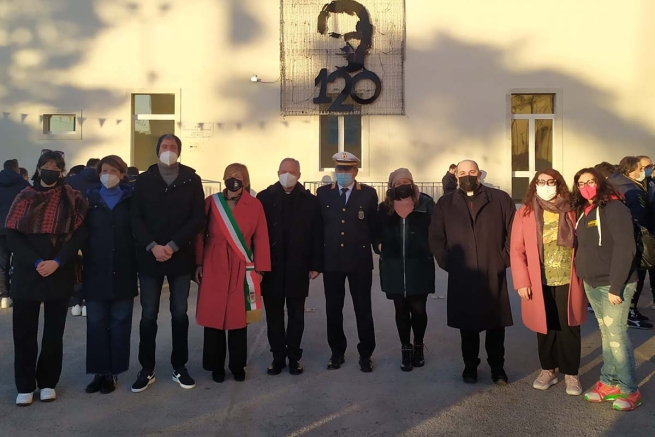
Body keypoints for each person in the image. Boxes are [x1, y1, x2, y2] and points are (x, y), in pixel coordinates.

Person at [5, 151, 87, 406]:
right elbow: (12, 236)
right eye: (46, 166)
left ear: (61, 172)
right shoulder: (24, 197)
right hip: (29, 271)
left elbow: (79, 235)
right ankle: (25, 385)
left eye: (56, 167)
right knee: (24, 332)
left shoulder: (72, 198)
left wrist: (58, 261)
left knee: (54, 332)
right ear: (38, 169)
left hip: (59, 270)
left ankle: (48, 382)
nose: (51, 171)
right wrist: (37, 261)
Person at [429, 160, 515, 385]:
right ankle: (470, 366)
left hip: (491, 269)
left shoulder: (500, 199)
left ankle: (498, 368)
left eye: (472, 172)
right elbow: (437, 237)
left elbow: (512, 234)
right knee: (467, 326)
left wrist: (502, 259)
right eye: (462, 173)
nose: (467, 176)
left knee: (495, 325)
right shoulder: (445, 203)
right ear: (456, 176)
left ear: (479, 175)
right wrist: (450, 263)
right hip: (462, 272)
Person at [130, 134, 205, 392]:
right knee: (148, 314)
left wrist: (173, 246)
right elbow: (135, 218)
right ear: (157, 150)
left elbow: (197, 219)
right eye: (165, 146)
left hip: (180, 257)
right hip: (150, 258)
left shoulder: (192, 180)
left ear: (180, 151)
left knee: (179, 313)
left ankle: (179, 367)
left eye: (173, 147)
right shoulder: (144, 179)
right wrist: (153, 246)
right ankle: (146, 369)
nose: (169, 150)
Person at [510, 169, 587, 396]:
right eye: (540, 182)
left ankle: (571, 374)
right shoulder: (524, 213)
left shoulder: (573, 209)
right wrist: (522, 281)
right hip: (538, 279)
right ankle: (548, 370)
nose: (545, 186)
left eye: (550, 182)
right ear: (534, 185)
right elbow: (516, 250)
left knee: (570, 326)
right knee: (544, 327)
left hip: (569, 277)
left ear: (559, 184)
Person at [573, 167, 642, 411]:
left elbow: (626, 248)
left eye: (590, 181)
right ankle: (609, 383)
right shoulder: (585, 210)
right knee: (607, 334)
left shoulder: (615, 208)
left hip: (614, 284)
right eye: (581, 184)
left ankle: (629, 389)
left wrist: (616, 286)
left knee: (617, 336)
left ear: (601, 182)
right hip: (593, 283)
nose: (586, 187)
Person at [195, 163, 271, 382]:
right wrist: (198, 263)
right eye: (229, 175)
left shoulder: (255, 205)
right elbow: (199, 235)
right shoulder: (211, 203)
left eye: (238, 176)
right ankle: (215, 366)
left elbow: (261, 238)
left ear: (246, 181)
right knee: (214, 317)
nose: (233, 179)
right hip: (213, 263)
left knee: (238, 319)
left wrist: (260, 270)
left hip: (241, 264)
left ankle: (238, 365)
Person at [256, 159, 323, 376]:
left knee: (296, 315)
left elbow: (316, 235)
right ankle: (277, 358)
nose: (287, 175)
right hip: (271, 268)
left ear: (299, 174)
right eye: (284, 171)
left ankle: (294, 357)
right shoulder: (264, 198)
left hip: (298, 266)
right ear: (277, 172)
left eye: (292, 172)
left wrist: (315, 264)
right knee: (274, 316)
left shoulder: (310, 201)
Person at [316, 152, 378, 372]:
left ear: (355, 171)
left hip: (359, 262)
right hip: (331, 261)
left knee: (363, 309)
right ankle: (337, 352)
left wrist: (380, 246)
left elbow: (374, 227)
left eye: (347, 169)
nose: (342, 173)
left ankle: (366, 354)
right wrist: (315, 262)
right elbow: (318, 229)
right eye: (339, 169)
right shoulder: (323, 194)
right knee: (333, 309)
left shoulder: (369, 195)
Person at [82, 156, 137, 395]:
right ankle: (98, 371)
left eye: (113, 170)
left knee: (119, 322)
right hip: (95, 269)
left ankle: (113, 371)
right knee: (95, 322)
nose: (108, 174)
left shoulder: (132, 199)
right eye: (104, 170)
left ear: (122, 174)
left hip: (124, 269)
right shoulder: (88, 199)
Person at [375, 168, 435, 372]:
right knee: (400, 310)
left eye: (407, 181)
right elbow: (374, 233)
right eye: (399, 183)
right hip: (393, 267)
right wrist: (379, 246)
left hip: (419, 266)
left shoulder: (426, 204)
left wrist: (430, 248)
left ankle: (418, 345)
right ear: (392, 186)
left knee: (418, 310)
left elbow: (437, 230)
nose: (403, 185)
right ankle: (406, 348)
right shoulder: (383, 208)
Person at [608, 157, 653, 329]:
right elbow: (638, 216)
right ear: (630, 171)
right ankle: (629, 312)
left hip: (633, 236)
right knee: (636, 275)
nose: (646, 171)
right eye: (643, 168)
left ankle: (630, 310)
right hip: (635, 237)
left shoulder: (627, 183)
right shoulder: (629, 188)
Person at [67, 158, 101, 317]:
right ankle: (88, 301)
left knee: (74, 267)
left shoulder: (71, 181)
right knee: (91, 267)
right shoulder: (101, 182)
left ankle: (75, 301)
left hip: (72, 231)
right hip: (94, 231)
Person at [0, 159, 30, 309]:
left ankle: (4, 296)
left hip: (0, 230)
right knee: (19, 261)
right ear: (17, 170)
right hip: (18, 229)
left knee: (2, 263)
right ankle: (18, 293)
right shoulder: (24, 185)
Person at [637, 155, 655, 310]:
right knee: (640, 273)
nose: (650, 169)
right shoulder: (633, 186)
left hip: (652, 233)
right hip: (641, 235)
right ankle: (632, 309)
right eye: (646, 166)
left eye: (651, 166)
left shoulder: (651, 183)